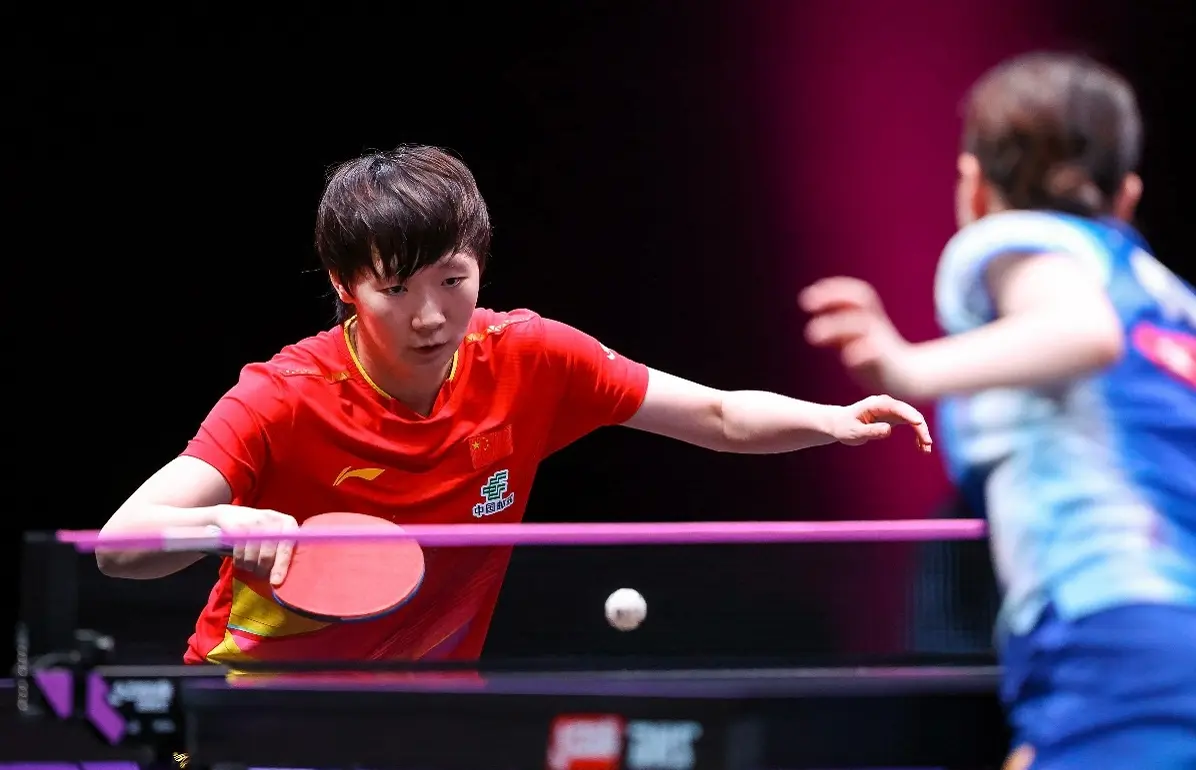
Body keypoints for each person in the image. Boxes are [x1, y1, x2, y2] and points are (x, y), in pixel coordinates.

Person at [96, 144, 931, 665]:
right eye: (396, 289)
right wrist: (221, 524)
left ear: (481, 264)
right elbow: (118, 547)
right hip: (252, 710)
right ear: (346, 285)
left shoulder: (530, 358)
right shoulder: (283, 396)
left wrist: (832, 421)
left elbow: (715, 416)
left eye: (452, 280)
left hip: (428, 724)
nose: (431, 316)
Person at [800, 52, 1196, 769]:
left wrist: (904, 368)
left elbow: (1083, 333)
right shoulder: (1169, 299)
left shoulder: (1016, 240)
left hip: (1115, 622)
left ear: (974, 187)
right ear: (1127, 198)